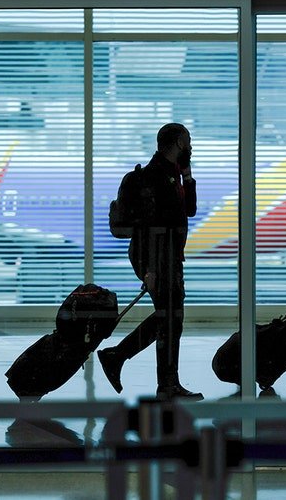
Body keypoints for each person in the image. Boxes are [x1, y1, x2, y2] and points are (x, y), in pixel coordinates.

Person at [98, 123, 203, 400]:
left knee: (169, 319)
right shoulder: (155, 176)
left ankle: (119, 357)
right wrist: (150, 270)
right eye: (188, 141)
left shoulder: (172, 174)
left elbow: (189, 210)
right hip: (154, 256)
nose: (190, 146)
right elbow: (151, 229)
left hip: (167, 256)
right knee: (170, 318)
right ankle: (163, 383)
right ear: (179, 143)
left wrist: (188, 176)